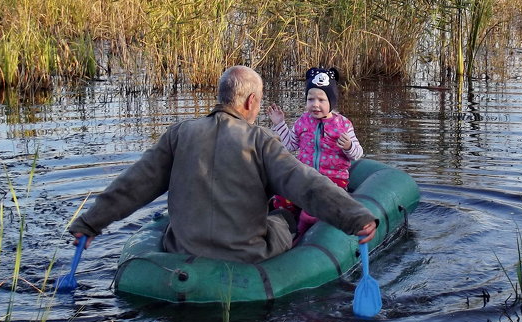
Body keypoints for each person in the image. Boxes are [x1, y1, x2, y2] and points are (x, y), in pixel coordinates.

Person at [68, 65, 376, 263]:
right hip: (246, 254)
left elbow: (133, 185)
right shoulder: (261, 140)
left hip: (183, 249)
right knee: (284, 215)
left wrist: (90, 223)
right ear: (250, 102)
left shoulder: (179, 134)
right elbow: (307, 186)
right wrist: (356, 217)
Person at [267, 66, 363, 236]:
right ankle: (283, 229)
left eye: (321, 100)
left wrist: (348, 146)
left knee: (317, 209)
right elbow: (290, 146)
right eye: (311, 99)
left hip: (333, 181)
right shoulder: (302, 122)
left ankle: (307, 230)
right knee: (282, 200)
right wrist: (279, 124)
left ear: (331, 102)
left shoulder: (343, 125)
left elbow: (357, 154)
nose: (315, 105)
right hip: (305, 177)